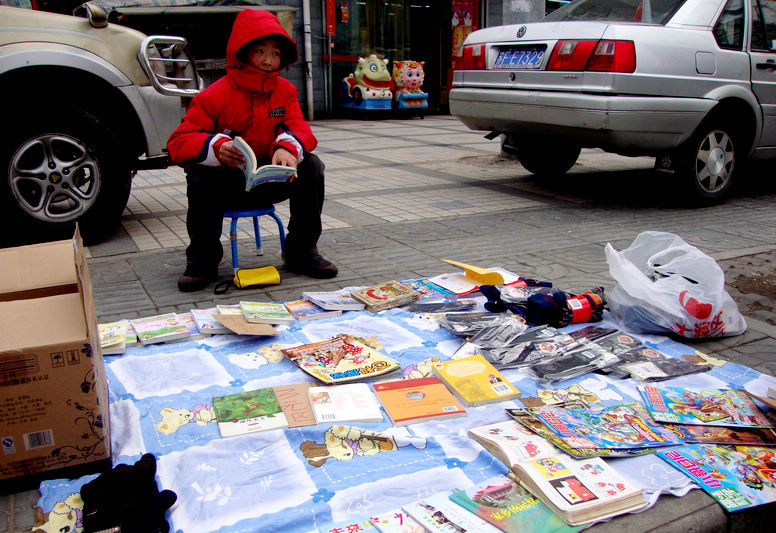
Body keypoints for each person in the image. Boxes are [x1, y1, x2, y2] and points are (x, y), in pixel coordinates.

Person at [167, 9, 337, 292]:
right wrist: (216, 147)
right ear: (243, 52)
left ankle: (301, 253)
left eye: (275, 53)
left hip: (270, 180)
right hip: (226, 184)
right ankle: (203, 260)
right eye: (260, 51)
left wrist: (287, 147)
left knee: (312, 166)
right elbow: (178, 142)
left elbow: (300, 128)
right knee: (199, 176)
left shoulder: (286, 91)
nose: (269, 60)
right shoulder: (214, 94)